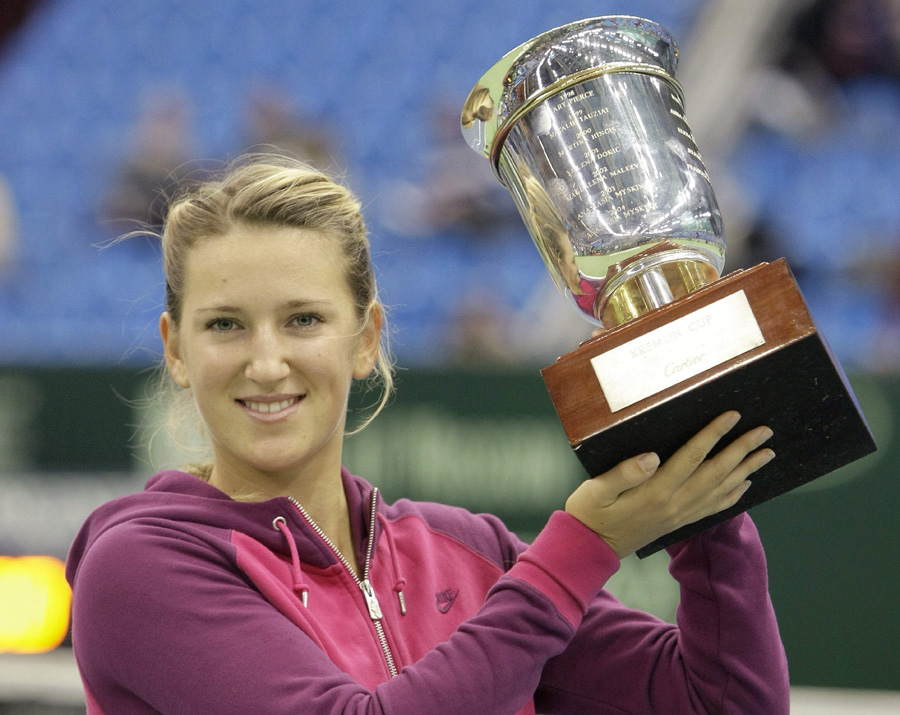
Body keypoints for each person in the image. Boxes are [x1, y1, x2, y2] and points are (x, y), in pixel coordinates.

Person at [66, 155, 790, 714]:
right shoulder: (139, 567)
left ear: (366, 339)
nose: (266, 360)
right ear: (175, 348)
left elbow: (727, 701)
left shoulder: (468, 552)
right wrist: (583, 545)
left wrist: (702, 486)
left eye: (303, 319)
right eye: (225, 324)